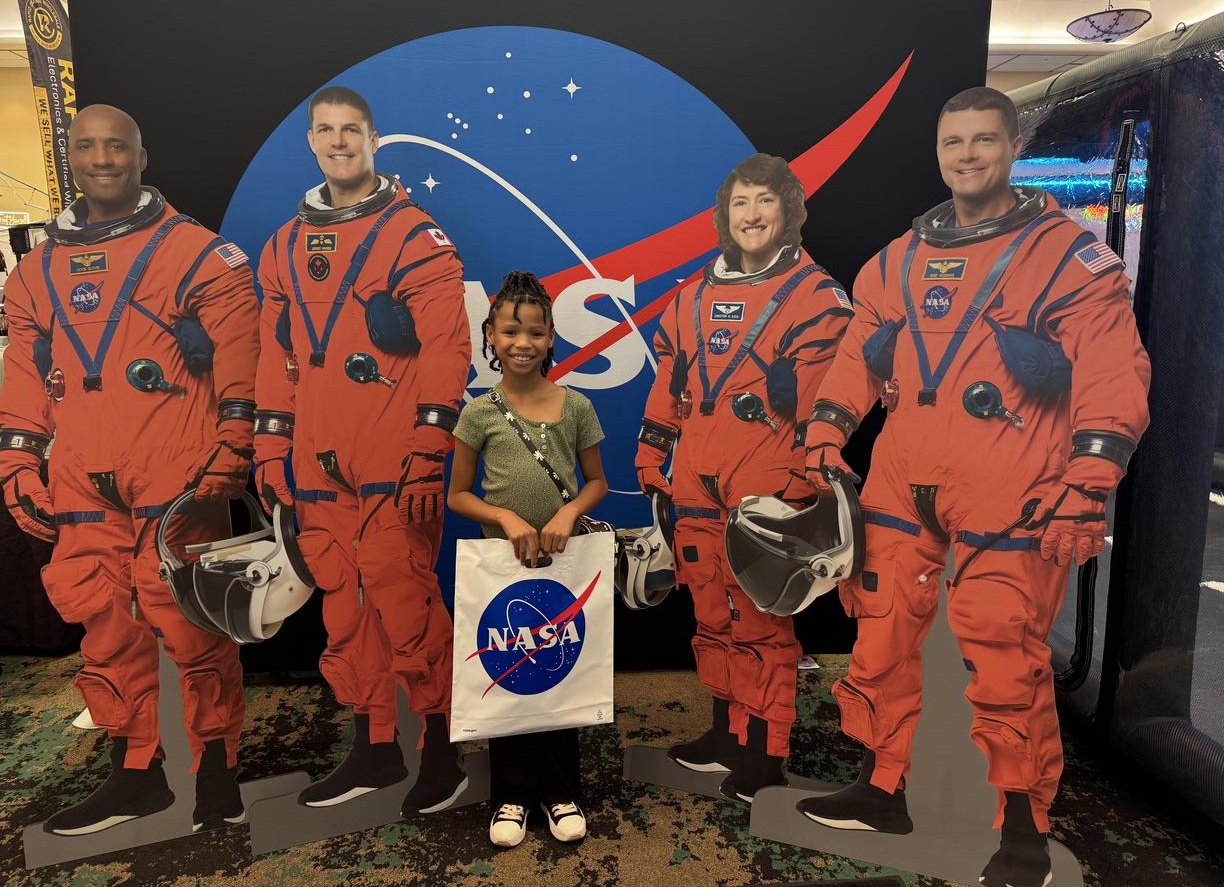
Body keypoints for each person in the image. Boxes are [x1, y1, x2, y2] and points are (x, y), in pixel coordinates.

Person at [797, 87, 1151, 887]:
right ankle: (884, 788)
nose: (966, 156)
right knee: (880, 636)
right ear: (938, 150)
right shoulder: (897, 258)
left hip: (1012, 482)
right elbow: (856, 354)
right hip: (903, 476)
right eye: (953, 142)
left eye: (983, 141)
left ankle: (1021, 824)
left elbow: (1112, 366)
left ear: (1012, 145)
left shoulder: (1064, 255)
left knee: (1003, 649)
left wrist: (1089, 480)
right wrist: (824, 430)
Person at [0, 104, 260, 834]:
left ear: (142, 158)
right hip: (81, 470)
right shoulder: (35, 273)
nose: (103, 158)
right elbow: (24, 373)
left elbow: (244, 356)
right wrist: (18, 459)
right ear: (69, 157)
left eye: (118, 146)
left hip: (175, 465)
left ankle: (215, 772)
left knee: (190, 624)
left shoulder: (199, 255)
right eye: (88, 146)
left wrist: (235, 441)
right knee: (103, 624)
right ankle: (136, 771)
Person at [253, 85, 471, 816]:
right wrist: (269, 449)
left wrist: (427, 447)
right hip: (316, 463)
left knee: (405, 604)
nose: (339, 141)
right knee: (344, 612)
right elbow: (275, 359)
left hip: (389, 459)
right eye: (326, 130)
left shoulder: (415, 235)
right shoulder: (283, 244)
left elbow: (447, 348)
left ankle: (444, 750)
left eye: (352, 130)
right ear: (310, 141)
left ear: (374, 139)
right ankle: (375, 749)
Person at [633, 153, 853, 803]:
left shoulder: (818, 299)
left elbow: (827, 406)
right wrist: (652, 455)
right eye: (740, 203)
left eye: (765, 201)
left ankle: (768, 750)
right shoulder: (693, 296)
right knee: (710, 613)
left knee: (760, 623)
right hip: (696, 483)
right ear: (724, 217)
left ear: (789, 211)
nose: (752, 215)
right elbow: (669, 384)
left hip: (770, 485)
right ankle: (729, 731)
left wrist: (804, 480)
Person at [447, 270, 608, 848]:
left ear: (550, 339)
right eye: (511, 331)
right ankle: (511, 797)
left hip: (564, 568)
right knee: (509, 681)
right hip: (504, 570)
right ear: (491, 334)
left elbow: (597, 483)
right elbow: (457, 494)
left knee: (561, 677)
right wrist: (507, 518)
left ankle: (561, 792)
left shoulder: (576, 406)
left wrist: (566, 516)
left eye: (535, 333)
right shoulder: (479, 413)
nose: (523, 343)